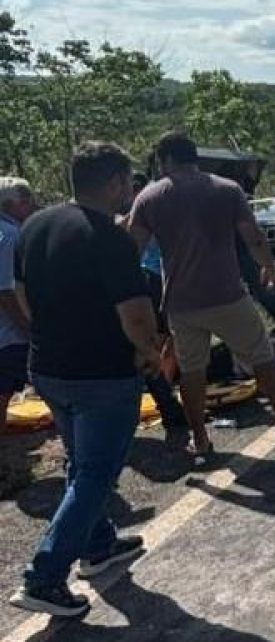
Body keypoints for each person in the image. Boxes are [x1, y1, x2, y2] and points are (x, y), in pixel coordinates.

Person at [7, 143, 161, 616]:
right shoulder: (109, 237)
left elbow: (22, 294)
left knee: (81, 461)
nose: (131, 191)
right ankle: (45, 576)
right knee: (97, 473)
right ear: (114, 182)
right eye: (128, 182)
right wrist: (149, 352)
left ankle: (98, 545)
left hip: (50, 366)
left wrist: (50, 335)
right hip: (103, 373)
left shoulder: (34, 226)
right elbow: (135, 314)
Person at [128, 132, 275, 460]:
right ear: (195, 158)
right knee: (261, 357)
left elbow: (132, 249)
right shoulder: (226, 189)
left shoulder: (149, 197)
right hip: (227, 294)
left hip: (180, 302)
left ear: (164, 161)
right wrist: (269, 267)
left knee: (192, 371)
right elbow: (253, 237)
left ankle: (201, 440)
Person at [127, 171, 187, 431]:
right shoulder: (139, 215)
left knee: (163, 335)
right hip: (153, 278)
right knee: (163, 335)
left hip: (157, 277)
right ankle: (166, 382)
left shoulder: (141, 214)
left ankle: (166, 379)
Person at [0, 177, 36, 432]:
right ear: (14, 204)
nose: (32, 207)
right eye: (28, 201)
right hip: (11, 334)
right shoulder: (10, 236)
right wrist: (27, 328)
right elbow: (6, 291)